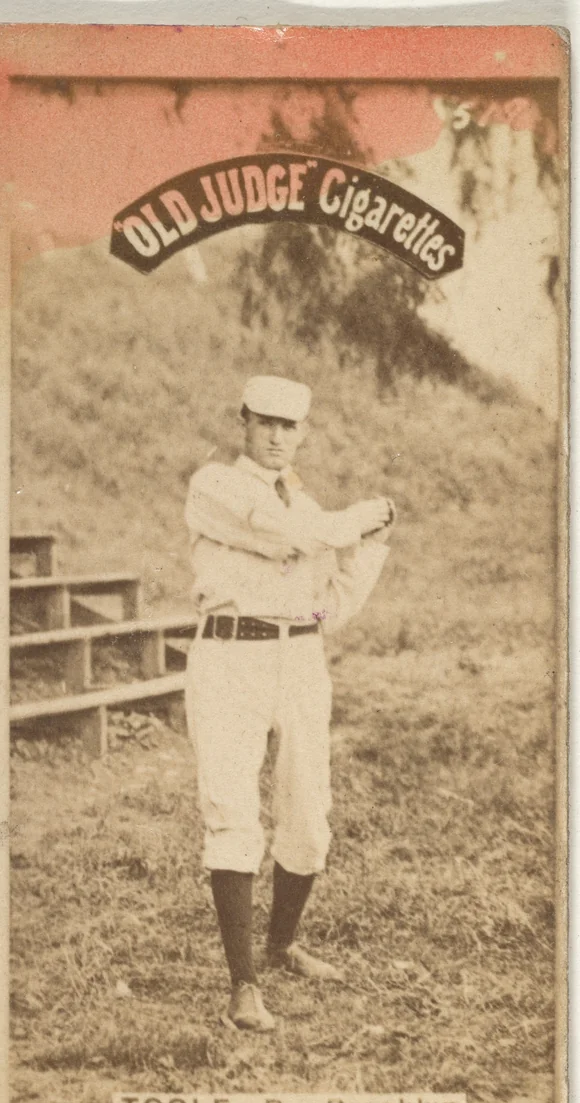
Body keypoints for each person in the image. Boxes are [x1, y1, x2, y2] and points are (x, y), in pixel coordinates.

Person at [184, 375, 395, 1031]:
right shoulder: (214, 485)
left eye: (289, 426)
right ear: (244, 422)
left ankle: (281, 945)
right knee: (232, 807)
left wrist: (354, 544)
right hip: (229, 654)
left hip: (299, 656)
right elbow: (289, 538)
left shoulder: (306, 503)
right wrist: (365, 516)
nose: (277, 436)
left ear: (303, 432)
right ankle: (243, 986)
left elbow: (335, 592)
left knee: (309, 808)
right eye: (265, 423)